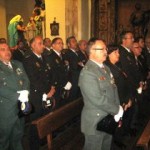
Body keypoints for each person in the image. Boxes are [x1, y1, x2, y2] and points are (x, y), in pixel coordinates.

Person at [78, 39, 123, 150]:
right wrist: (117, 110)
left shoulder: (105, 68)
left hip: (108, 118)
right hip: (96, 122)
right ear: (92, 51)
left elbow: (113, 90)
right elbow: (98, 99)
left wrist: (117, 112)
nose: (105, 51)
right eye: (102, 49)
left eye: (106, 49)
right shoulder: (88, 72)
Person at [23, 36, 55, 150]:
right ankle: (34, 146)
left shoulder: (44, 57)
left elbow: (50, 73)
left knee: (45, 120)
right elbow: (34, 79)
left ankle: (44, 143)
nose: (43, 46)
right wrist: (47, 92)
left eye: (42, 43)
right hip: (36, 96)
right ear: (32, 45)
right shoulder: (28, 59)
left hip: (47, 94)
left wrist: (52, 87)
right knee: (36, 123)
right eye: (40, 43)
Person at [0, 43, 30, 150]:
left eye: (8, 49)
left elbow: (26, 80)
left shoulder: (17, 64)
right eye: (3, 49)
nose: (7, 51)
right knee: (3, 141)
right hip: (5, 111)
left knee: (18, 137)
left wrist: (26, 92)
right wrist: (18, 95)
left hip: (20, 108)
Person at [45, 37, 71, 107]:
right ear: (53, 45)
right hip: (56, 86)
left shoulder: (63, 54)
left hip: (64, 85)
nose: (61, 45)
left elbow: (64, 69)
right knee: (56, 106)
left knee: (63, 105)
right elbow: (54, 73)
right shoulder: (50, 56)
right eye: (59, 43)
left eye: (62, 43)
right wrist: (64, 83)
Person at [63, 36, 83, 100]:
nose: (75, 43)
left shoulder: (78, 52)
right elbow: (71, 65)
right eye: (73, 42)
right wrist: (78, 63)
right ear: (68, 44)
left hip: (80, 77)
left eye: (76, 41)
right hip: (73, 78)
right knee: (73, 97)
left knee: (79, 96)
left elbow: (83, 62)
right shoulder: (67, 53)